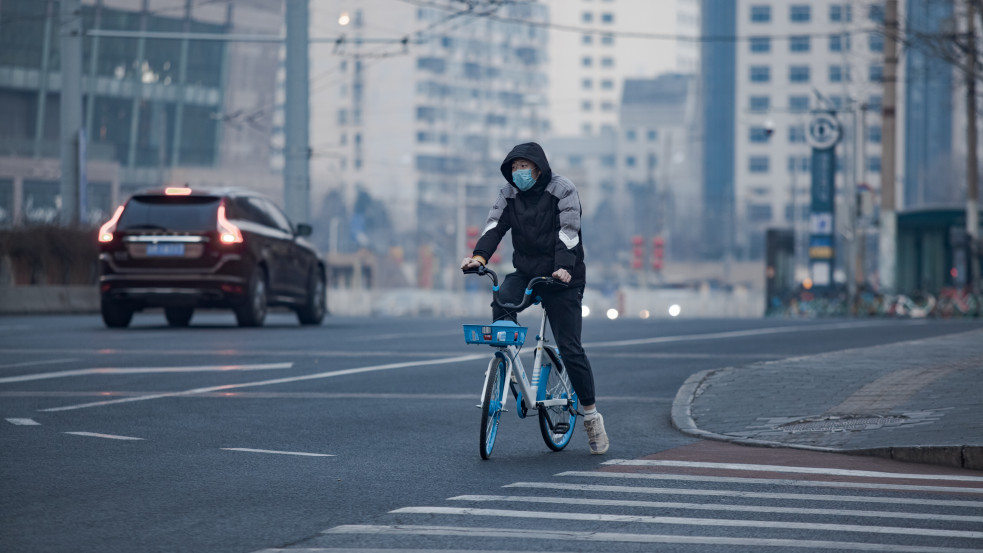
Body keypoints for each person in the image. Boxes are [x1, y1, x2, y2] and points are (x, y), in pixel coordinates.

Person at [461, 142, 609, 455]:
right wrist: (479, 257)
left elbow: (569, 232)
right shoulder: (508, 193)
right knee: (502, 300)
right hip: (526, 271)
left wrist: (564, 269)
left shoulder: (563, 189)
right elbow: (494, 225)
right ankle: (508, 370)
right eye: (514, 168)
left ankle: (592, 416)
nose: (519, 173)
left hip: (563, 276)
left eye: (524, 167)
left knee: (570, 347)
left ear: (538, 168)